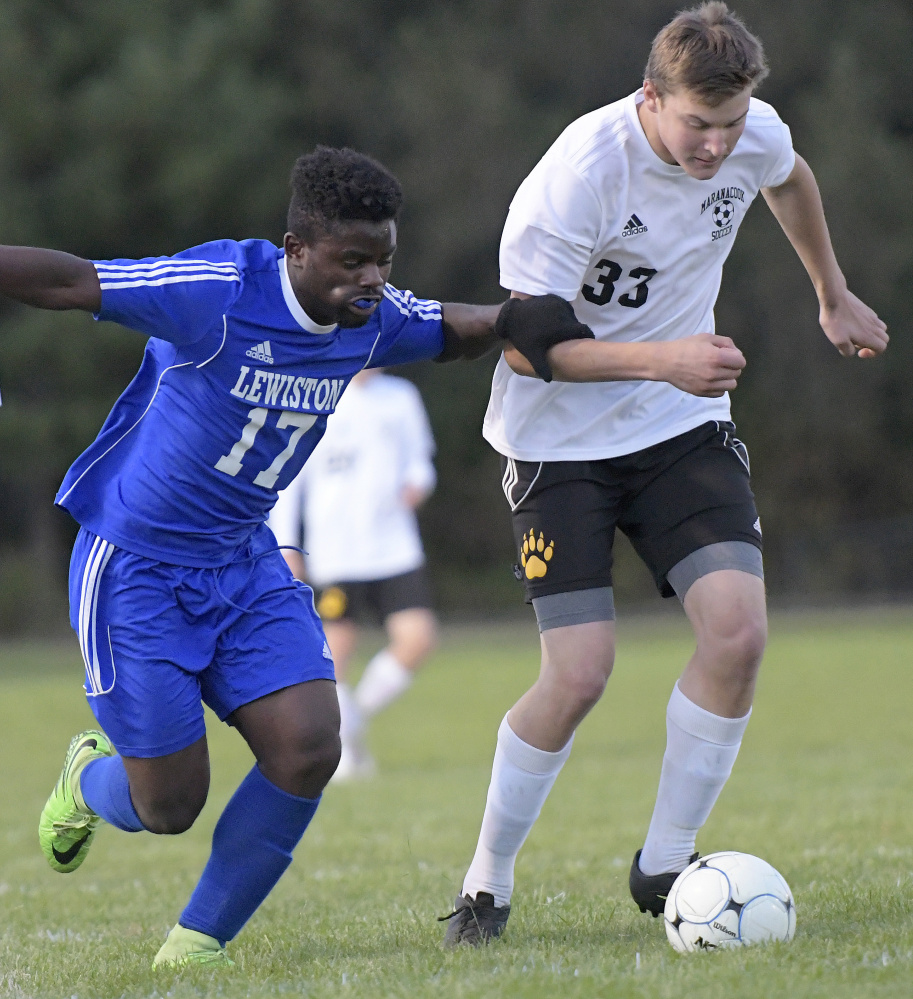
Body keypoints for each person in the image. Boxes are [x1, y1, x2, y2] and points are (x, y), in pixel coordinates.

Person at [0, 145, 583, 968]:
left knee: (310, 743)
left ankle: (196, 946)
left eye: (383, 258)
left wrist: (508, 319)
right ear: (296, 249)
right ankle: (87, 780)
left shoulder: (369, 316)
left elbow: (442, 329)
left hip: (245, 563)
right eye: (351, 261)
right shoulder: (218, 292)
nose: (371, 279)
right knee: (167, 805)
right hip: (135, 568)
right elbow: (70, 282)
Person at [440, 1, 888, 947]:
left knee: (736, 635)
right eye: (698, 125)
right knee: (579, 673)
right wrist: (665, 358)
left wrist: (831, 294)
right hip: (557, 443)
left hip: (681, 429)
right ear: (652, 98)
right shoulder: (579, 174)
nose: (717, 146)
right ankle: (485, 882)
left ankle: (664, 862)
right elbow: (526, 349)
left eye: (730, 125)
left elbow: (791, 178)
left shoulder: (750, 134)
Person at [268, 366, 439, 780]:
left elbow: (421, 462)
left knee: (418, 639)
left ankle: (353, 721)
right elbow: (288, 483)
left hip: (395, 548)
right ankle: (342, 755)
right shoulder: (313, 395)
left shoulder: (401, 395)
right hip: (336, 553)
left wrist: (418, 482)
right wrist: (286, 545)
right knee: (336, 654)